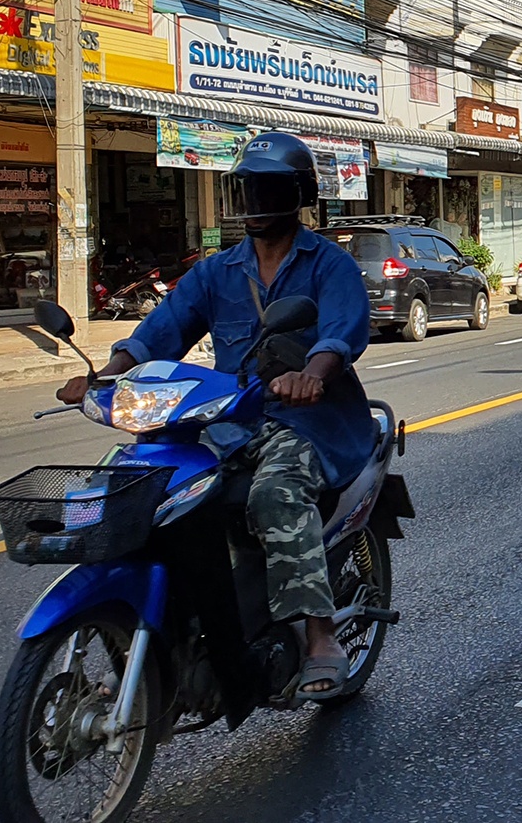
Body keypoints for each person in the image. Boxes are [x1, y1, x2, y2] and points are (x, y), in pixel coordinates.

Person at [57, 132, 372, 700]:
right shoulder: (216, 272)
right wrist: (106, 375)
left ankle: (320, 637)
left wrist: (312, 375)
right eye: (247, 188)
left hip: (309, 421)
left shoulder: (329, 265)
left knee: (275, 494)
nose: (254, 201)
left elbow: (340, 333)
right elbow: (161, 332)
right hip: (226, 423)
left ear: (297, 193)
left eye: (268, 188)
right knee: (143, 491)